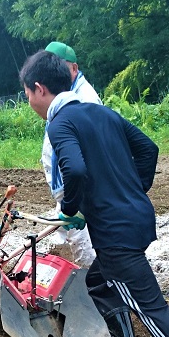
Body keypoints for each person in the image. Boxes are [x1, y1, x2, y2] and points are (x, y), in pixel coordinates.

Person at [19, 49, 169, 337]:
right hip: (137, 218)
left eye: (27, 93)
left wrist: (71, 209)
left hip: (115, 231)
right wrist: (132, 189)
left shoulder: (60, 124)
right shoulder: (104, 115)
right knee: (99, 282)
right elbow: (149, 150)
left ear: (39, 88)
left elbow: (75, 169)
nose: (29, 100)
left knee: (150, 308)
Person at [40, 42, 101, 268]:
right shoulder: (63, 97)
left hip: (79, 194)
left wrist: (72, 205)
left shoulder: (85, 100)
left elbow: (83, 160)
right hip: (68, 193)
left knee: (85, 247)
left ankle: (92, 290)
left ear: (73, 69)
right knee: (61, 244)